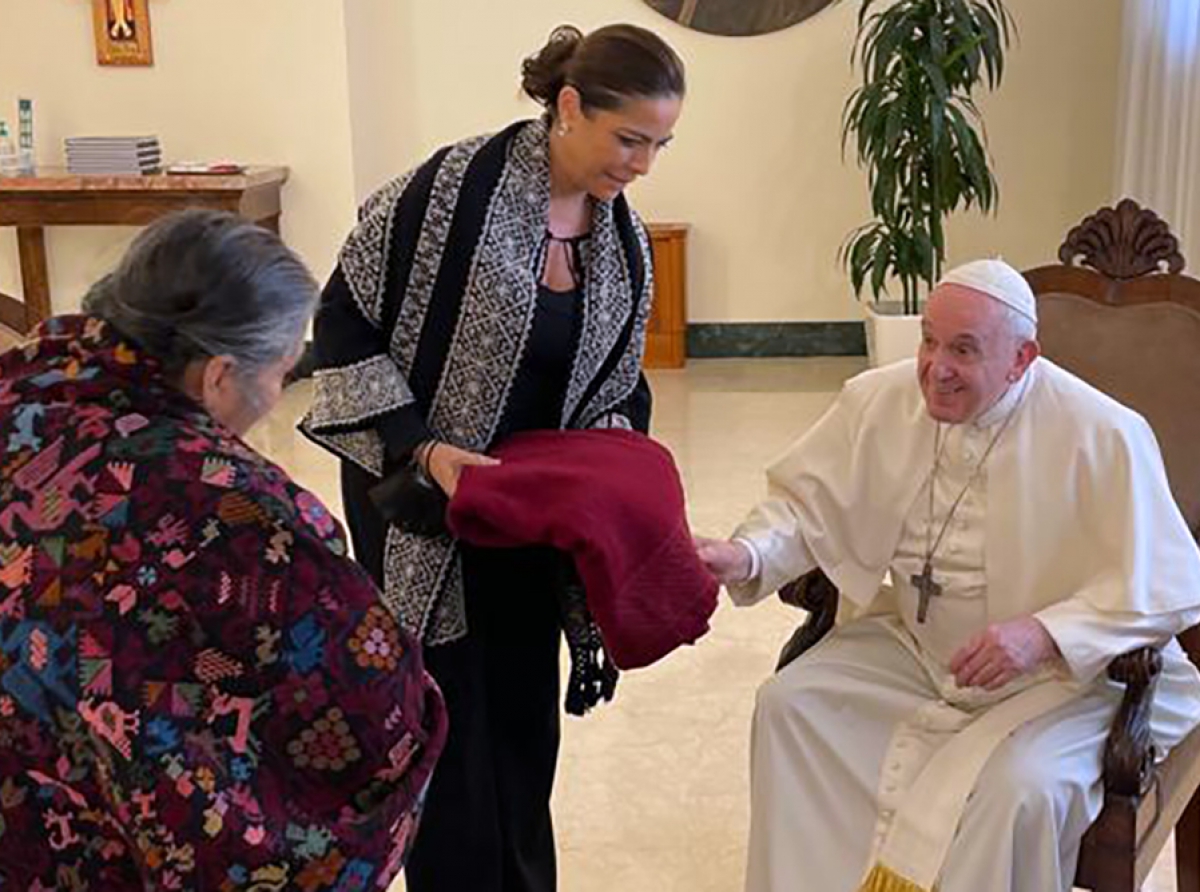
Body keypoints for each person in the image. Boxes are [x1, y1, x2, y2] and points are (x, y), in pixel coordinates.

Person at [299, 22, 685, 892]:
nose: (643, 165)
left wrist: (609, 467)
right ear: (571, 107)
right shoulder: (445, 194)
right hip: (422, 503)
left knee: (521, 722)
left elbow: (618, 380)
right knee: (448, 723)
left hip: (526, 514)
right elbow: (346, 318)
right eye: (630, 139)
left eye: (660, 145)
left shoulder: (619, 238)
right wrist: (421, 448)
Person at [696, 259, 1200, 892]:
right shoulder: (877, 400)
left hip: (1062, 680)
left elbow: (1168, 586)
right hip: (919, 651)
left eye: (964, 350)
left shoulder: (1103, 433)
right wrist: (747, 556)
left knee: (1022, 791)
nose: (936, 367)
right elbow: (808, 507)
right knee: (791, 707)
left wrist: (1042, 634)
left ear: (1022, 359)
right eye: (929, 341)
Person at [0, 210, 446, 891]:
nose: (272, 398)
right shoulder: (240, 509)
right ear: (218, 375)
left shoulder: (24, 386)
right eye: (278, 376)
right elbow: (370, 695)